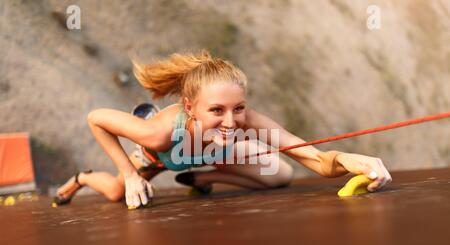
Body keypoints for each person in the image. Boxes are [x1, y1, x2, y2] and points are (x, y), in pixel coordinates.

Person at [54, 50, 392, 208]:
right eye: (216, 110)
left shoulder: (246, 122)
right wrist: (129, 175)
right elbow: (96, 118)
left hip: (211, 152)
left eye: (239, 108)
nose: (232, 121)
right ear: (190, 107)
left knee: (281, 175)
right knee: (115, 193)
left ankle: (202, 179)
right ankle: (82, 177)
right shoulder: (157, 133)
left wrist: (348, 159)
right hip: (164, 158)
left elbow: (317, 160)